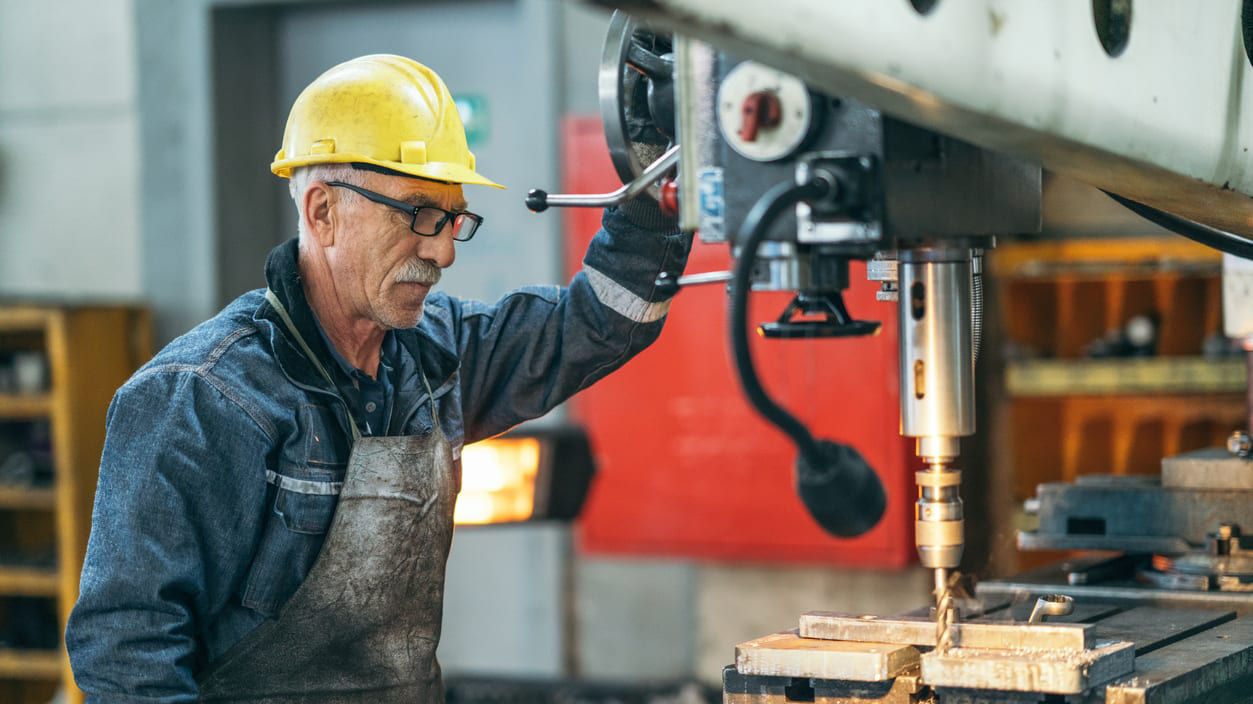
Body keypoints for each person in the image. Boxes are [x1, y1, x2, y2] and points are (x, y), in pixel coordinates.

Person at [65, 54, 689, 703]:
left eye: (453, 220)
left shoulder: (439, 357)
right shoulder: (201, 397)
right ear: (322, 211)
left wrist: (662, 182)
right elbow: (126, 650)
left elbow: (599, 323)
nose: (443, 251)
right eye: (418, 213)